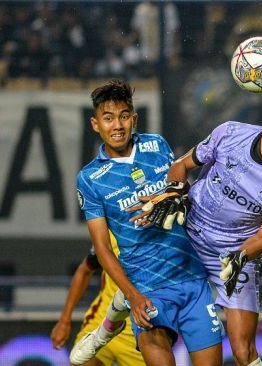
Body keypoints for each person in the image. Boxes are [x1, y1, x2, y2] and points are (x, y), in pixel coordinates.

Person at [129, 87, 262, 366]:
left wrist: (238, 259)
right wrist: (174, 191)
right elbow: (182, 165)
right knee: (155, 324)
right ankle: (114, 314)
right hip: (188, 232)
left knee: (243, 351)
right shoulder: (230, 133)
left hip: (234, 253)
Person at [71, 78, 224, 366]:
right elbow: (102, 249)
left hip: (191, 279)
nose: (117, 125)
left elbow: (182, 195)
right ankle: (114, 318)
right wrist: (133, 296)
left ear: (134, 119)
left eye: (124, 116)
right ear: (95, 124)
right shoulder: (90, 179)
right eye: (108, 118)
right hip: (147, 290)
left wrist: (180, 193)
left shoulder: (157, 145)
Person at [50, 234, 145, 366]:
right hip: (101, 323)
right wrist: (64, 321)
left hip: (140, 334)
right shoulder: (112, 233)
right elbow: (85, 270)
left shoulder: (165, 239)